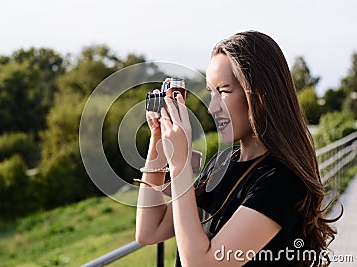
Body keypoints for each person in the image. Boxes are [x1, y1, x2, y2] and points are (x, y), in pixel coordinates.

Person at [135, 31, 338, 267]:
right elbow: (149, 230)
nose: (212, 108)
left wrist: (180, 164)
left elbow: (203, 264)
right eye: (211, 92)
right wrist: (158, 142)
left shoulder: (283, 182)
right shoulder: (221, 164)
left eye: (223, 91)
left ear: (260, 96)